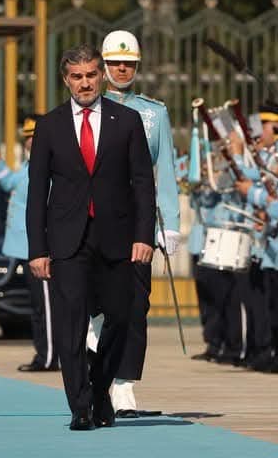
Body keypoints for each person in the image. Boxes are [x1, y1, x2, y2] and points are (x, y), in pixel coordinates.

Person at [25, 44, 156, 431]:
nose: (85, 83)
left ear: (101, 76)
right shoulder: (49, 126)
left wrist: (143, 235)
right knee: (71, 324)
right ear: (66, 80)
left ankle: (100, 390)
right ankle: (80, 407)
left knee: (120, 317)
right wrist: (38, 248)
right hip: (68, 241)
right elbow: (37, 191)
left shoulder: (127, 120)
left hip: (117, 238)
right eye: (77, 77)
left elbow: (143, 184)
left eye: (91, 75)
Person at [97, 29, 181, 417]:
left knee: (135, 304)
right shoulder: (88, 107)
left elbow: (164, 169)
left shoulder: (154, 112)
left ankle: (124, 384)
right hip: (95, 218)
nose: (122, 70)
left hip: (137, 222)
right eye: (115, 63)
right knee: (94, 302)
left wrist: (171, 223)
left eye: (128, 64)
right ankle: (97, 367)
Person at [0, 114, 58, 372]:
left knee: (46, 306)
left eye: (34, 137)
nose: (29, 142)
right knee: (39, 306)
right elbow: (10, 182)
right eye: (26, 137)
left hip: (40, 248)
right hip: (26, 247)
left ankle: (49, 356)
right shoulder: (31, 167)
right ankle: (44, 353)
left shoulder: (47, 167)